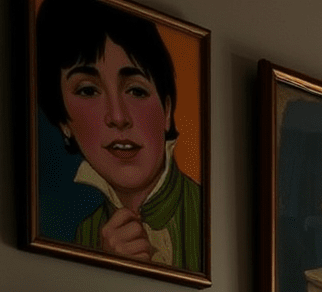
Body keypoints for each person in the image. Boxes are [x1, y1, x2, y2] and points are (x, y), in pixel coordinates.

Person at [35, 0, 201, 269]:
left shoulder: (206, 219)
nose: (118, 117)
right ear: (64, 120)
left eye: (136, 90)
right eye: (88, 90)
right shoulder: (85, 234)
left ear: (167, 110)